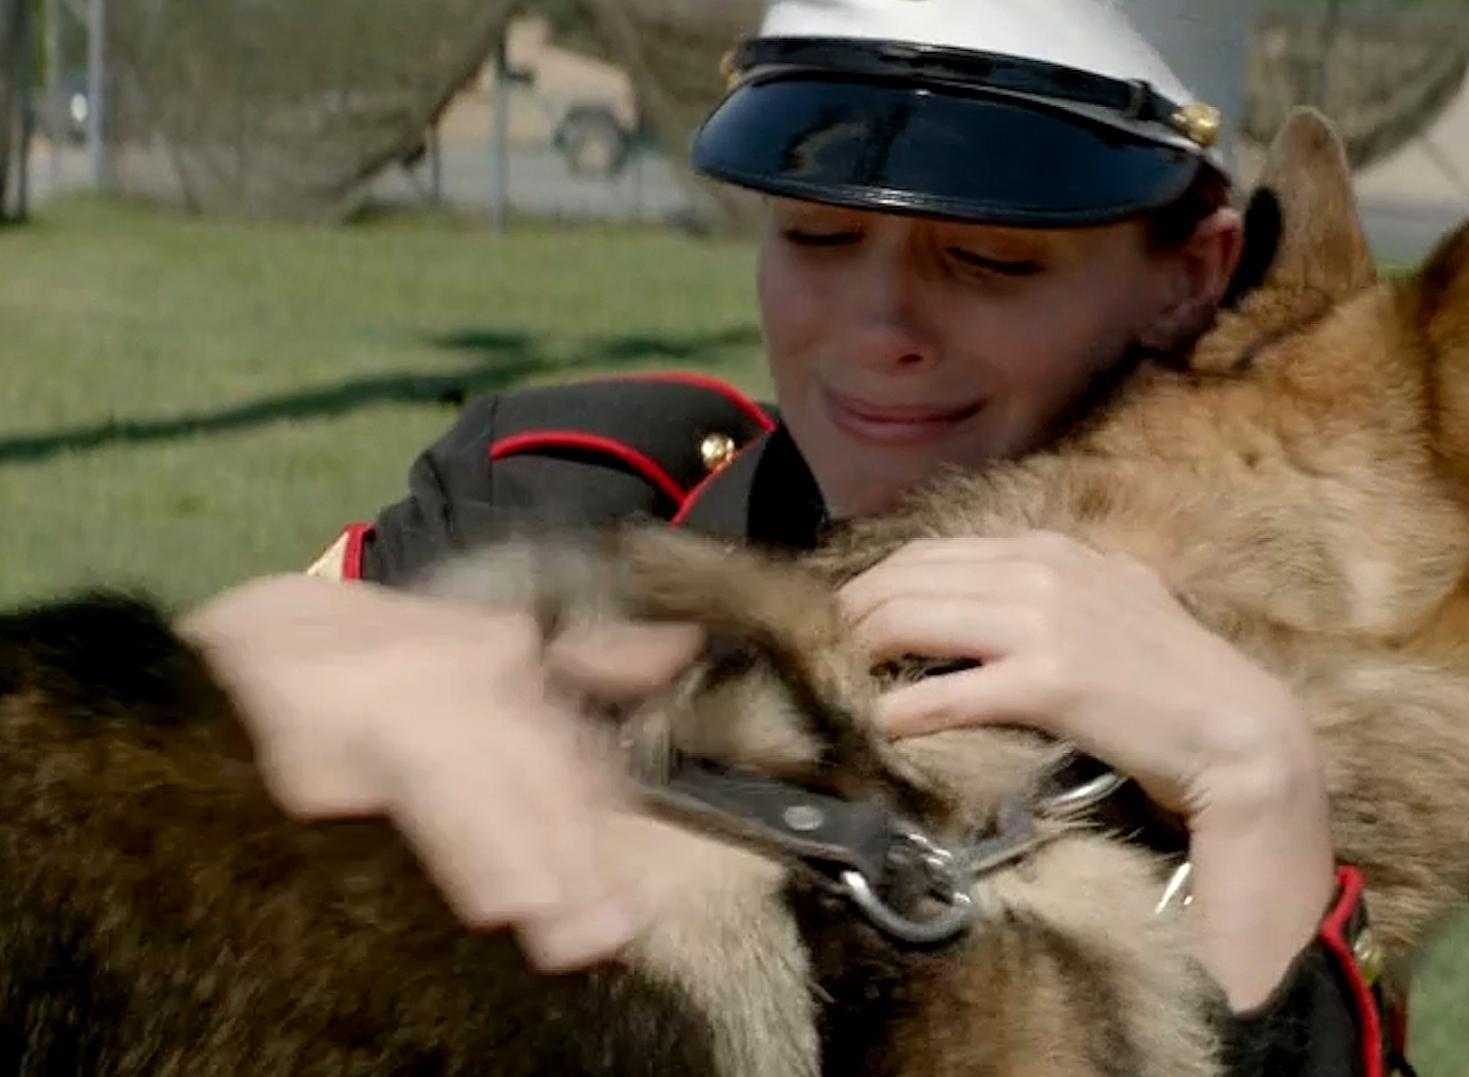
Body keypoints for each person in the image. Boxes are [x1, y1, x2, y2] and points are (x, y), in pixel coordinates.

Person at [181, 2, 1405, 1073]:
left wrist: (1257, 796)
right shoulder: (564, 498)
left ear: (1191, 274)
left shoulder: (1230, 695)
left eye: (989, 256)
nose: (877, 328)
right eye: (815, 235)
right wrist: (210, 691)